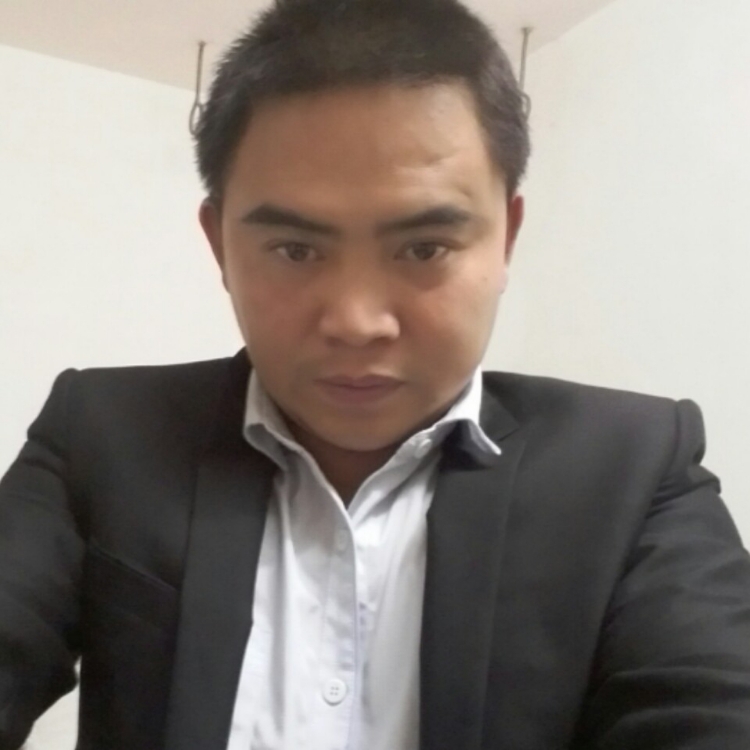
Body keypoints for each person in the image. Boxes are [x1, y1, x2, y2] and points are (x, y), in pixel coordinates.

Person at [2, 0, 749, 747]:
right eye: (295, 250)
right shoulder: (101, 433)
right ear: (220, 244)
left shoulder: (634, 468)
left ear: (506, 239)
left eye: (424, 249)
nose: (357, 322)